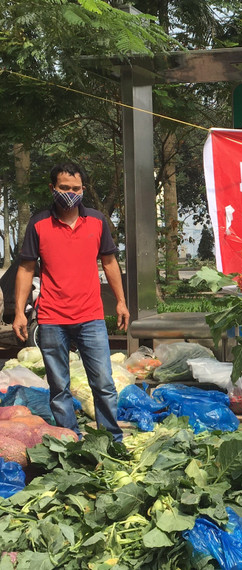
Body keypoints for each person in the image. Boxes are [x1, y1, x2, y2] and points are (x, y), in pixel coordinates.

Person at [14, 161, 129, 442]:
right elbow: (26, 268)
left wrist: (121, 302)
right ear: (53, 188)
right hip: (52, 318)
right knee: (59, 387)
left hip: (91, 316)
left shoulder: (97, 221)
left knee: (103, 383)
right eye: (64, 187)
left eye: (76, 188)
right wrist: (19, 311)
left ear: (83, 190)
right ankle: (70, 442)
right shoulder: (39, 223)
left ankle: (111, 440)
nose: (70, 193)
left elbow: (110, 262)